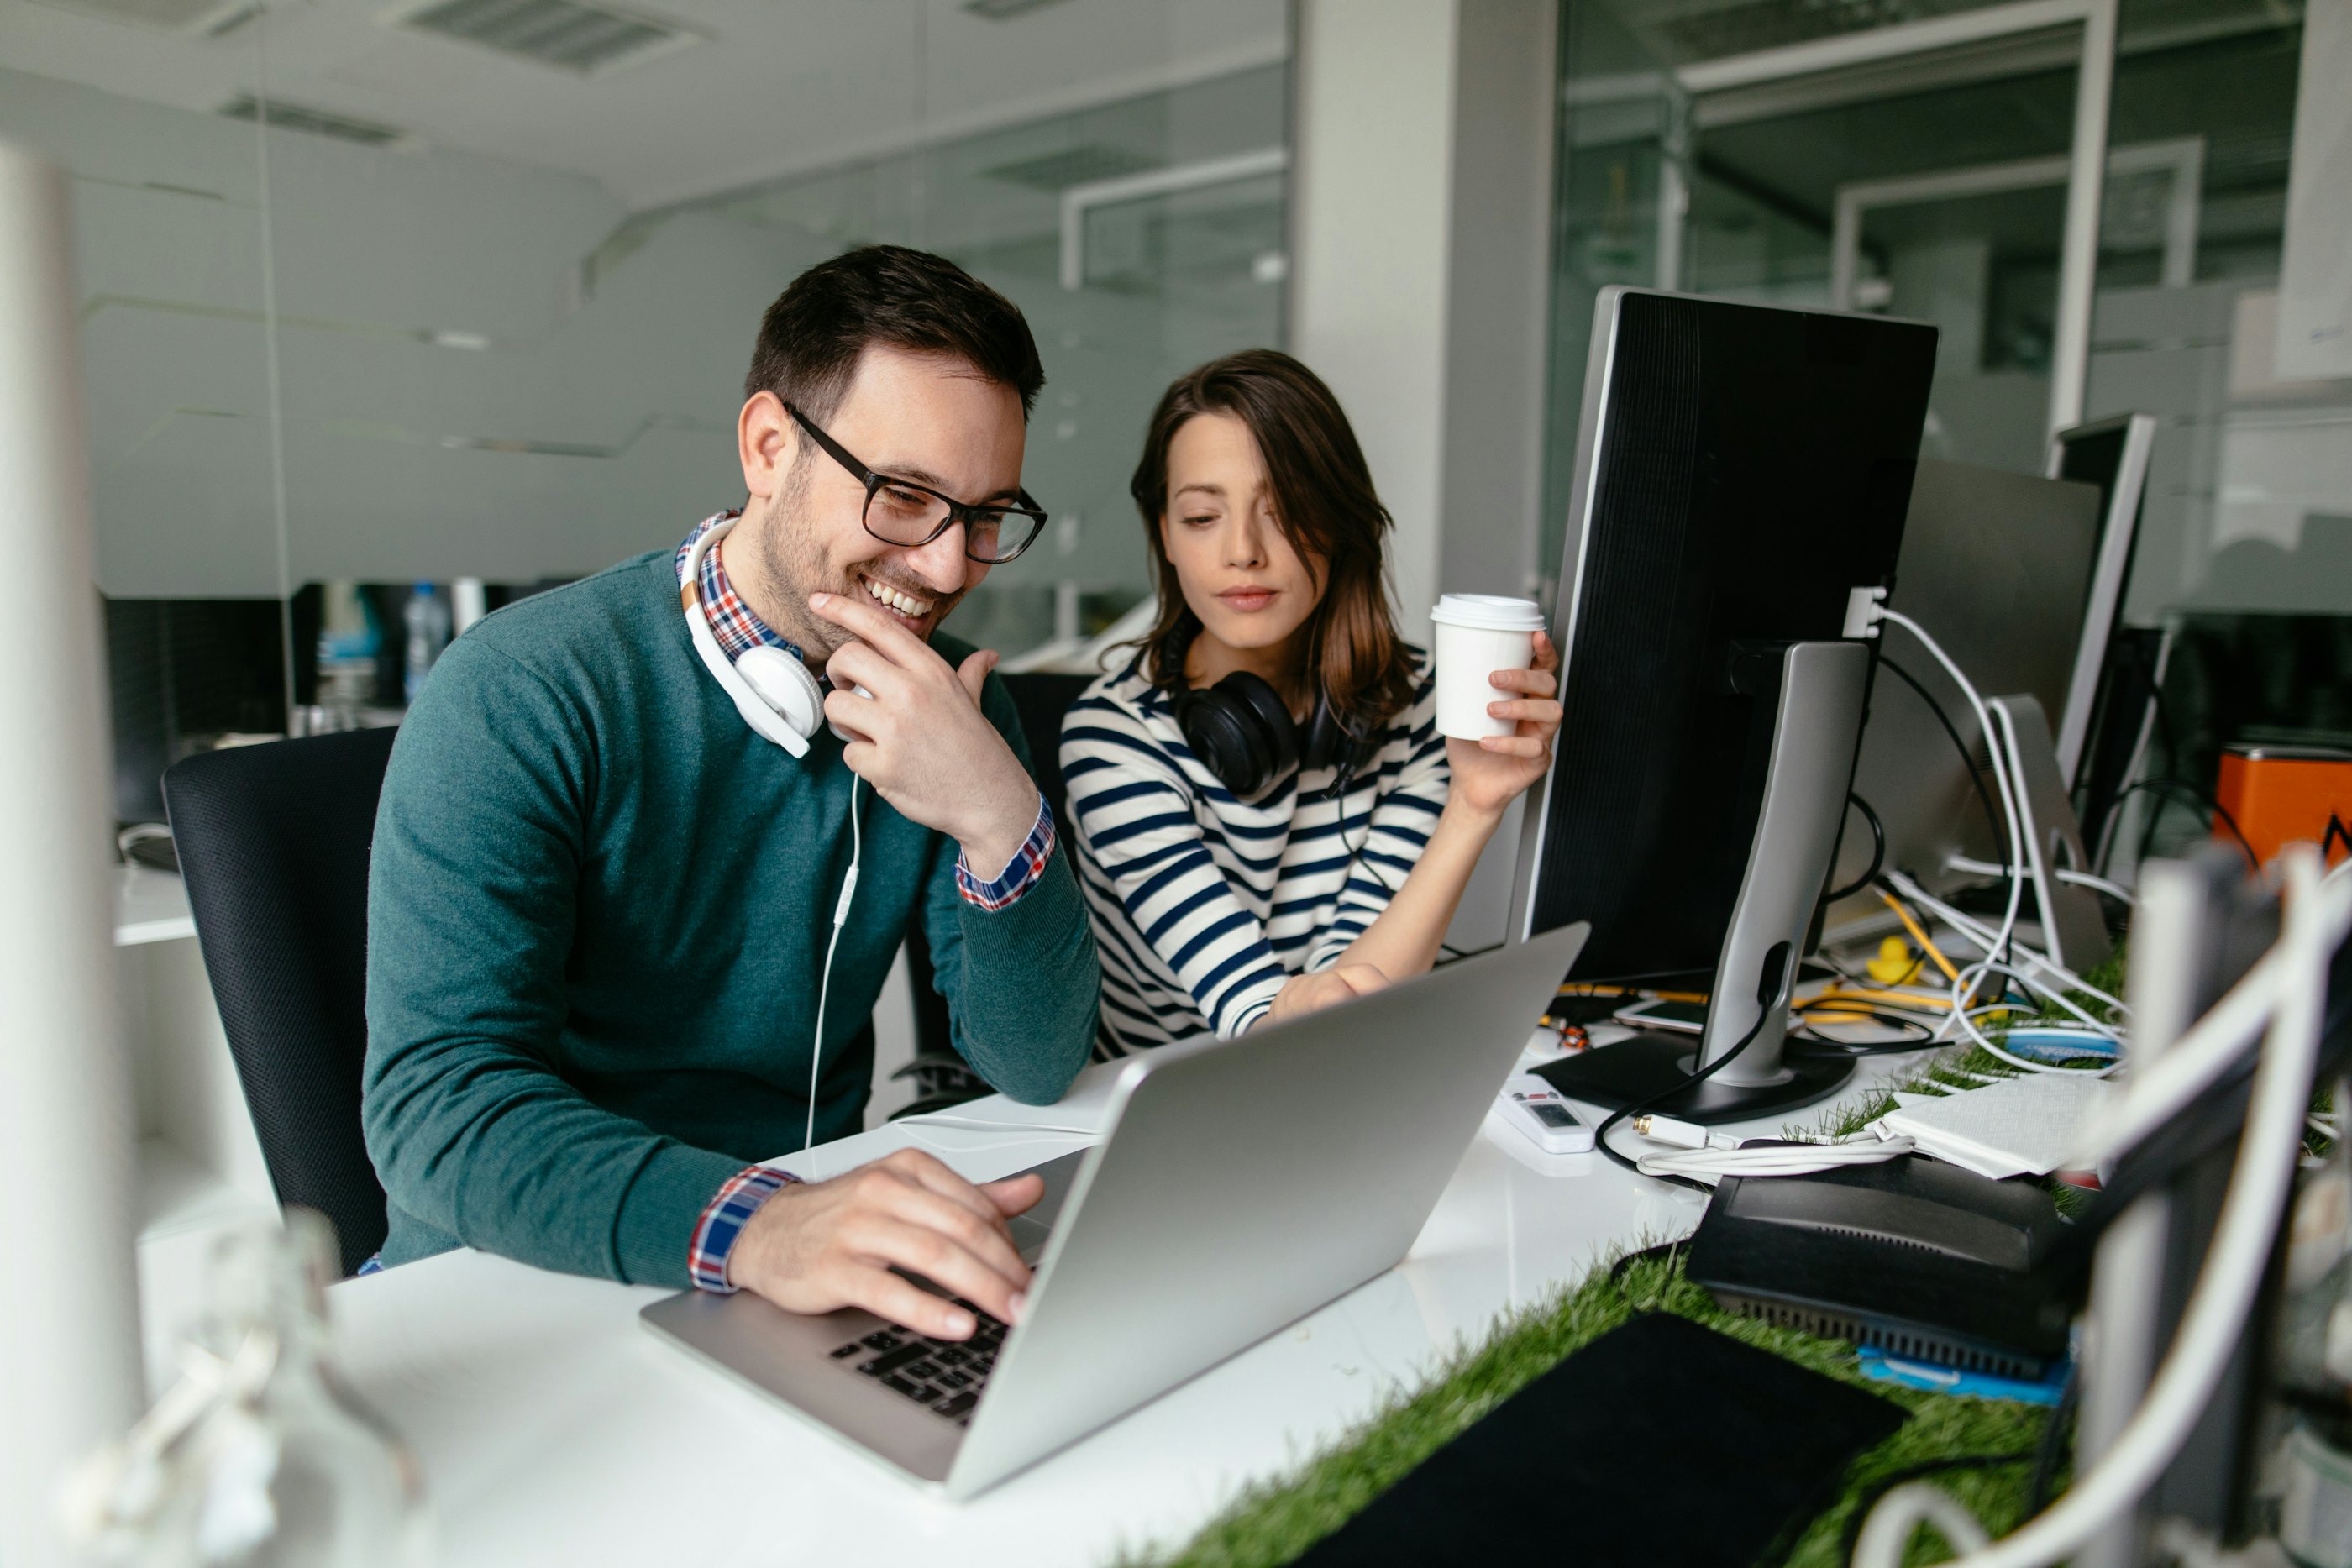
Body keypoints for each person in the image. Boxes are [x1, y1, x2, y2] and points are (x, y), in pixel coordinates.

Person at [363, 246, 1098, 1344]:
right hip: (508, 1290)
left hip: (804, 1273)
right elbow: (437, 1104)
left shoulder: (949, 705)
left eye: (987, 515)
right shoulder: (521, 689)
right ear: (768, 447)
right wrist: (763, 1224)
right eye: (905, 497)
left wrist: (1001, 815)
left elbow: (1033, 1065)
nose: (950, 567)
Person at [1060, 349, 1561, 1053]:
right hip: (1168, 1095)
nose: (1243, 550)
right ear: (1164, 534)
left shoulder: (1423, 706)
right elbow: (1267, 1026)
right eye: (1202, 516)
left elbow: (1352, 1003)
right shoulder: (1111, 737)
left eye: (1284, 509)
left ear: (1337, 522)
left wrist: (1475, 804)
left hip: (1337, 1076)